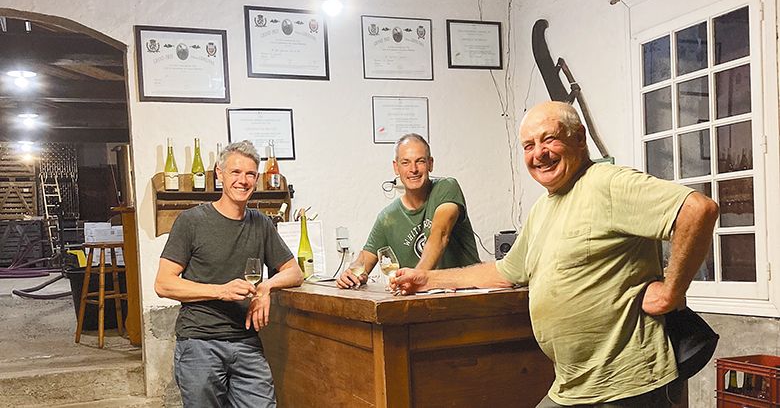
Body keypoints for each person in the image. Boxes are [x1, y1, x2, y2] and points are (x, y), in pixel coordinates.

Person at [393, 102, 719, 407]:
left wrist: (670, 293)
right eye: (529, 145)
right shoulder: (542, 209)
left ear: (578, 139)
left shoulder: (607, 183)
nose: (539, 154)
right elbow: (505, 272)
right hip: (573, 385)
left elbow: (697, 210)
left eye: (549, 139)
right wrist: (425, 278)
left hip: (628, 384)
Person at [154, 140, 303, 408]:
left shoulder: (261, 223)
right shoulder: (192, 221)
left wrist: (266, 288)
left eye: (250, 174)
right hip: (199, 342)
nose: (243, 181)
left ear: (256, 179)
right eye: (235, 172)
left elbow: (294, 272)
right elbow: (164, 284)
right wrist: (220, 290)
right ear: (219, 175)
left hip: (246, 342)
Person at [337, 133, 480, 289]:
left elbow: (440, 235)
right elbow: (364, 259)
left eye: (420, 161)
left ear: (430, 164)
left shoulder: (447, 188)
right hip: (423, 303)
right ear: (396, 167)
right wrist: (351, 273)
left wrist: (416, 278)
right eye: (405, 162)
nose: (413, 169)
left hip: (467, 295)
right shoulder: (388, 217)